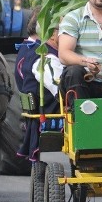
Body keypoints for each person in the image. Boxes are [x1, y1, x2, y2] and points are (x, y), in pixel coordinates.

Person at [15, 12, 63, 161]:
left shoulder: (36, 52)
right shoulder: (46, 58)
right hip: (51, 113)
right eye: (67, 32)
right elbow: (61, 90)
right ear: (53, 34)